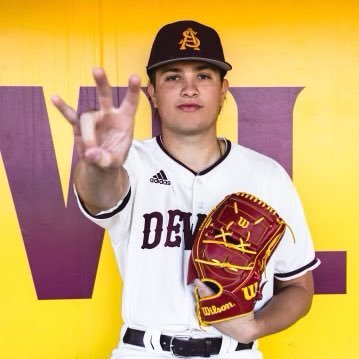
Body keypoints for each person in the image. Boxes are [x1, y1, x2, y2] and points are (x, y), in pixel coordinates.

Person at [52, 20, 320, 359]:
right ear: (152, 91)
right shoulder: (129, 163)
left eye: (204, 76)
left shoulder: (267, 176)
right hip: (145, 350)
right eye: (173, 76)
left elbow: (298, 286)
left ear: (224, 89)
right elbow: (101, 195)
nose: (189, 88)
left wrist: (256, 327)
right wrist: (98, 167)